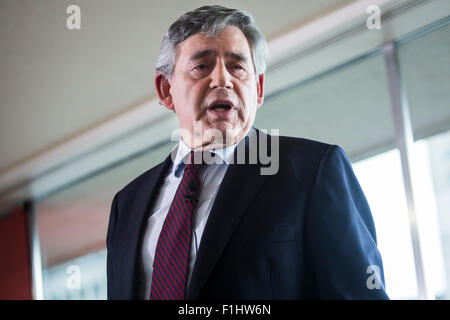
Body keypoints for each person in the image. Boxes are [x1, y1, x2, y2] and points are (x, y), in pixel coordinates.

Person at [106, 5, 389, 300]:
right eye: (201, 67)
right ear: (166, 90)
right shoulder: (126, 205)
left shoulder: (312, 170)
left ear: (259, 88)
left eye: (237, 67)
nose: (223, 80)